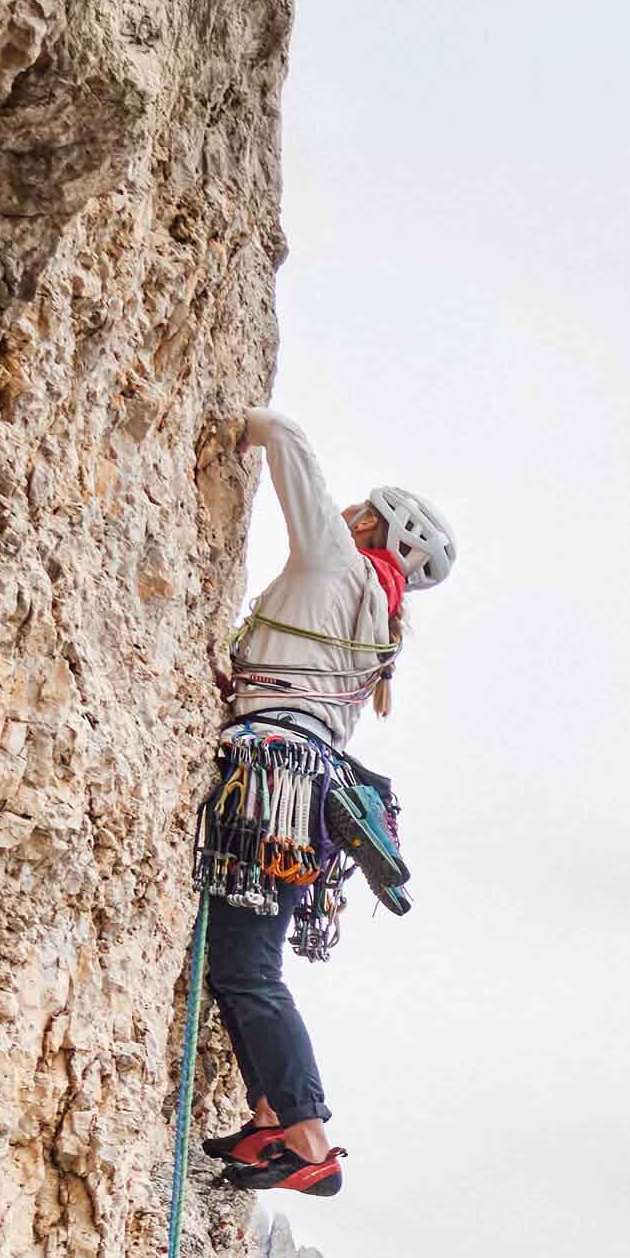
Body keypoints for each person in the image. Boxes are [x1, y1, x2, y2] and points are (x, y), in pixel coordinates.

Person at [198, 407, 455, 1197]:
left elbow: (284, 437)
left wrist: (223, 420)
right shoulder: (380, 621)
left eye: (361, 510)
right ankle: (273, 1117)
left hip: (272, 776)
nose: (346, 512)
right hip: (306, 791)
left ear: (375, 528)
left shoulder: (338, 563)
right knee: (238, 964)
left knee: (249, 968)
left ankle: (307, 1137)